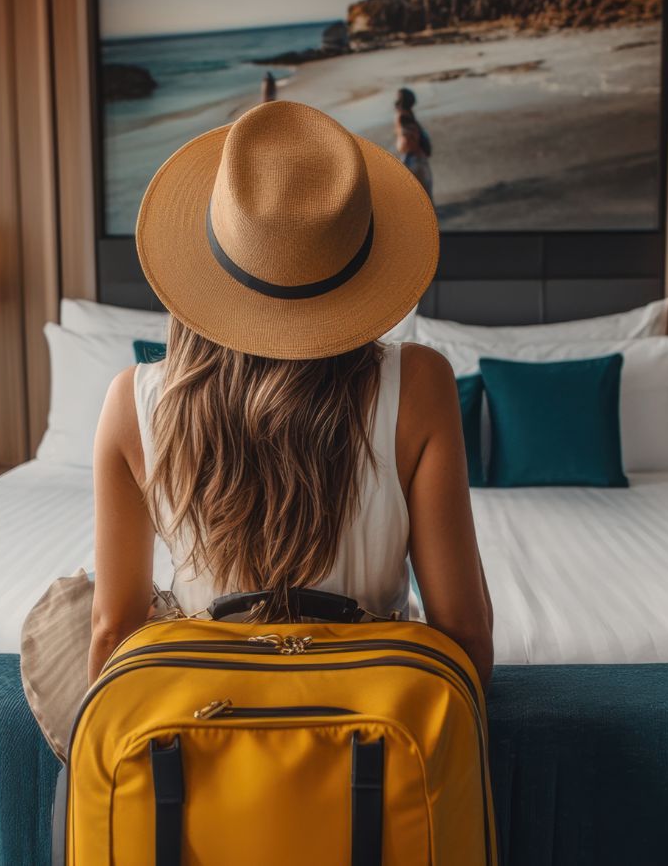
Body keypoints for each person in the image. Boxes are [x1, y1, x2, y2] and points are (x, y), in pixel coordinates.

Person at [88, 100, 492, 684]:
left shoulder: (131, 401)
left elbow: (112, 630)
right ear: (360, 263)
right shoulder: (420, 384)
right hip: (369, 722)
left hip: (202, 720)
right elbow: (466, 633)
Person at [393, 87, 433, 198]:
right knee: (422, 195)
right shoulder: (407, 116)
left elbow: (410, 139)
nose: (395, 103)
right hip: (414, 157)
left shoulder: (403, 117)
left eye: (399, 100)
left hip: (414, 158)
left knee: (418, 196)